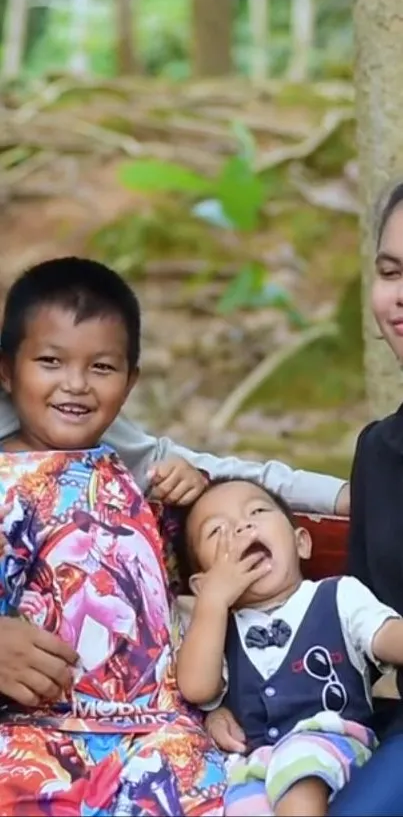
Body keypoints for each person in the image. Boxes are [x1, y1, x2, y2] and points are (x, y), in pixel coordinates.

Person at [0, 256, 226, 816]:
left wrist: (194, 496)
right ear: (6, 371)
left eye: (102, 367)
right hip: (34, 737)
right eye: (50, 361)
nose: (75, 384)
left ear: (130, 382)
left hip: (161, 738)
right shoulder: (6, 483)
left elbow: (173, 584)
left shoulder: (134, 477)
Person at [206, 181, 403, 817]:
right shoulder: (381, 452)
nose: (399, 296)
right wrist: (240, 704)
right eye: (390, 271)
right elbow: (362, 638)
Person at [176, 477, 403, 817]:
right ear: (202, 583)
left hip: (333, 744)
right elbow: (196, 687)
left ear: (301, 543)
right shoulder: (217, 630)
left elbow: (386, 636)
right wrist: (212, 603)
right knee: (239, 805)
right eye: (217, 530)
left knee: (300, 774)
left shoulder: (339, 595)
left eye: (257, 511)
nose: (242, 527)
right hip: (259, 763)